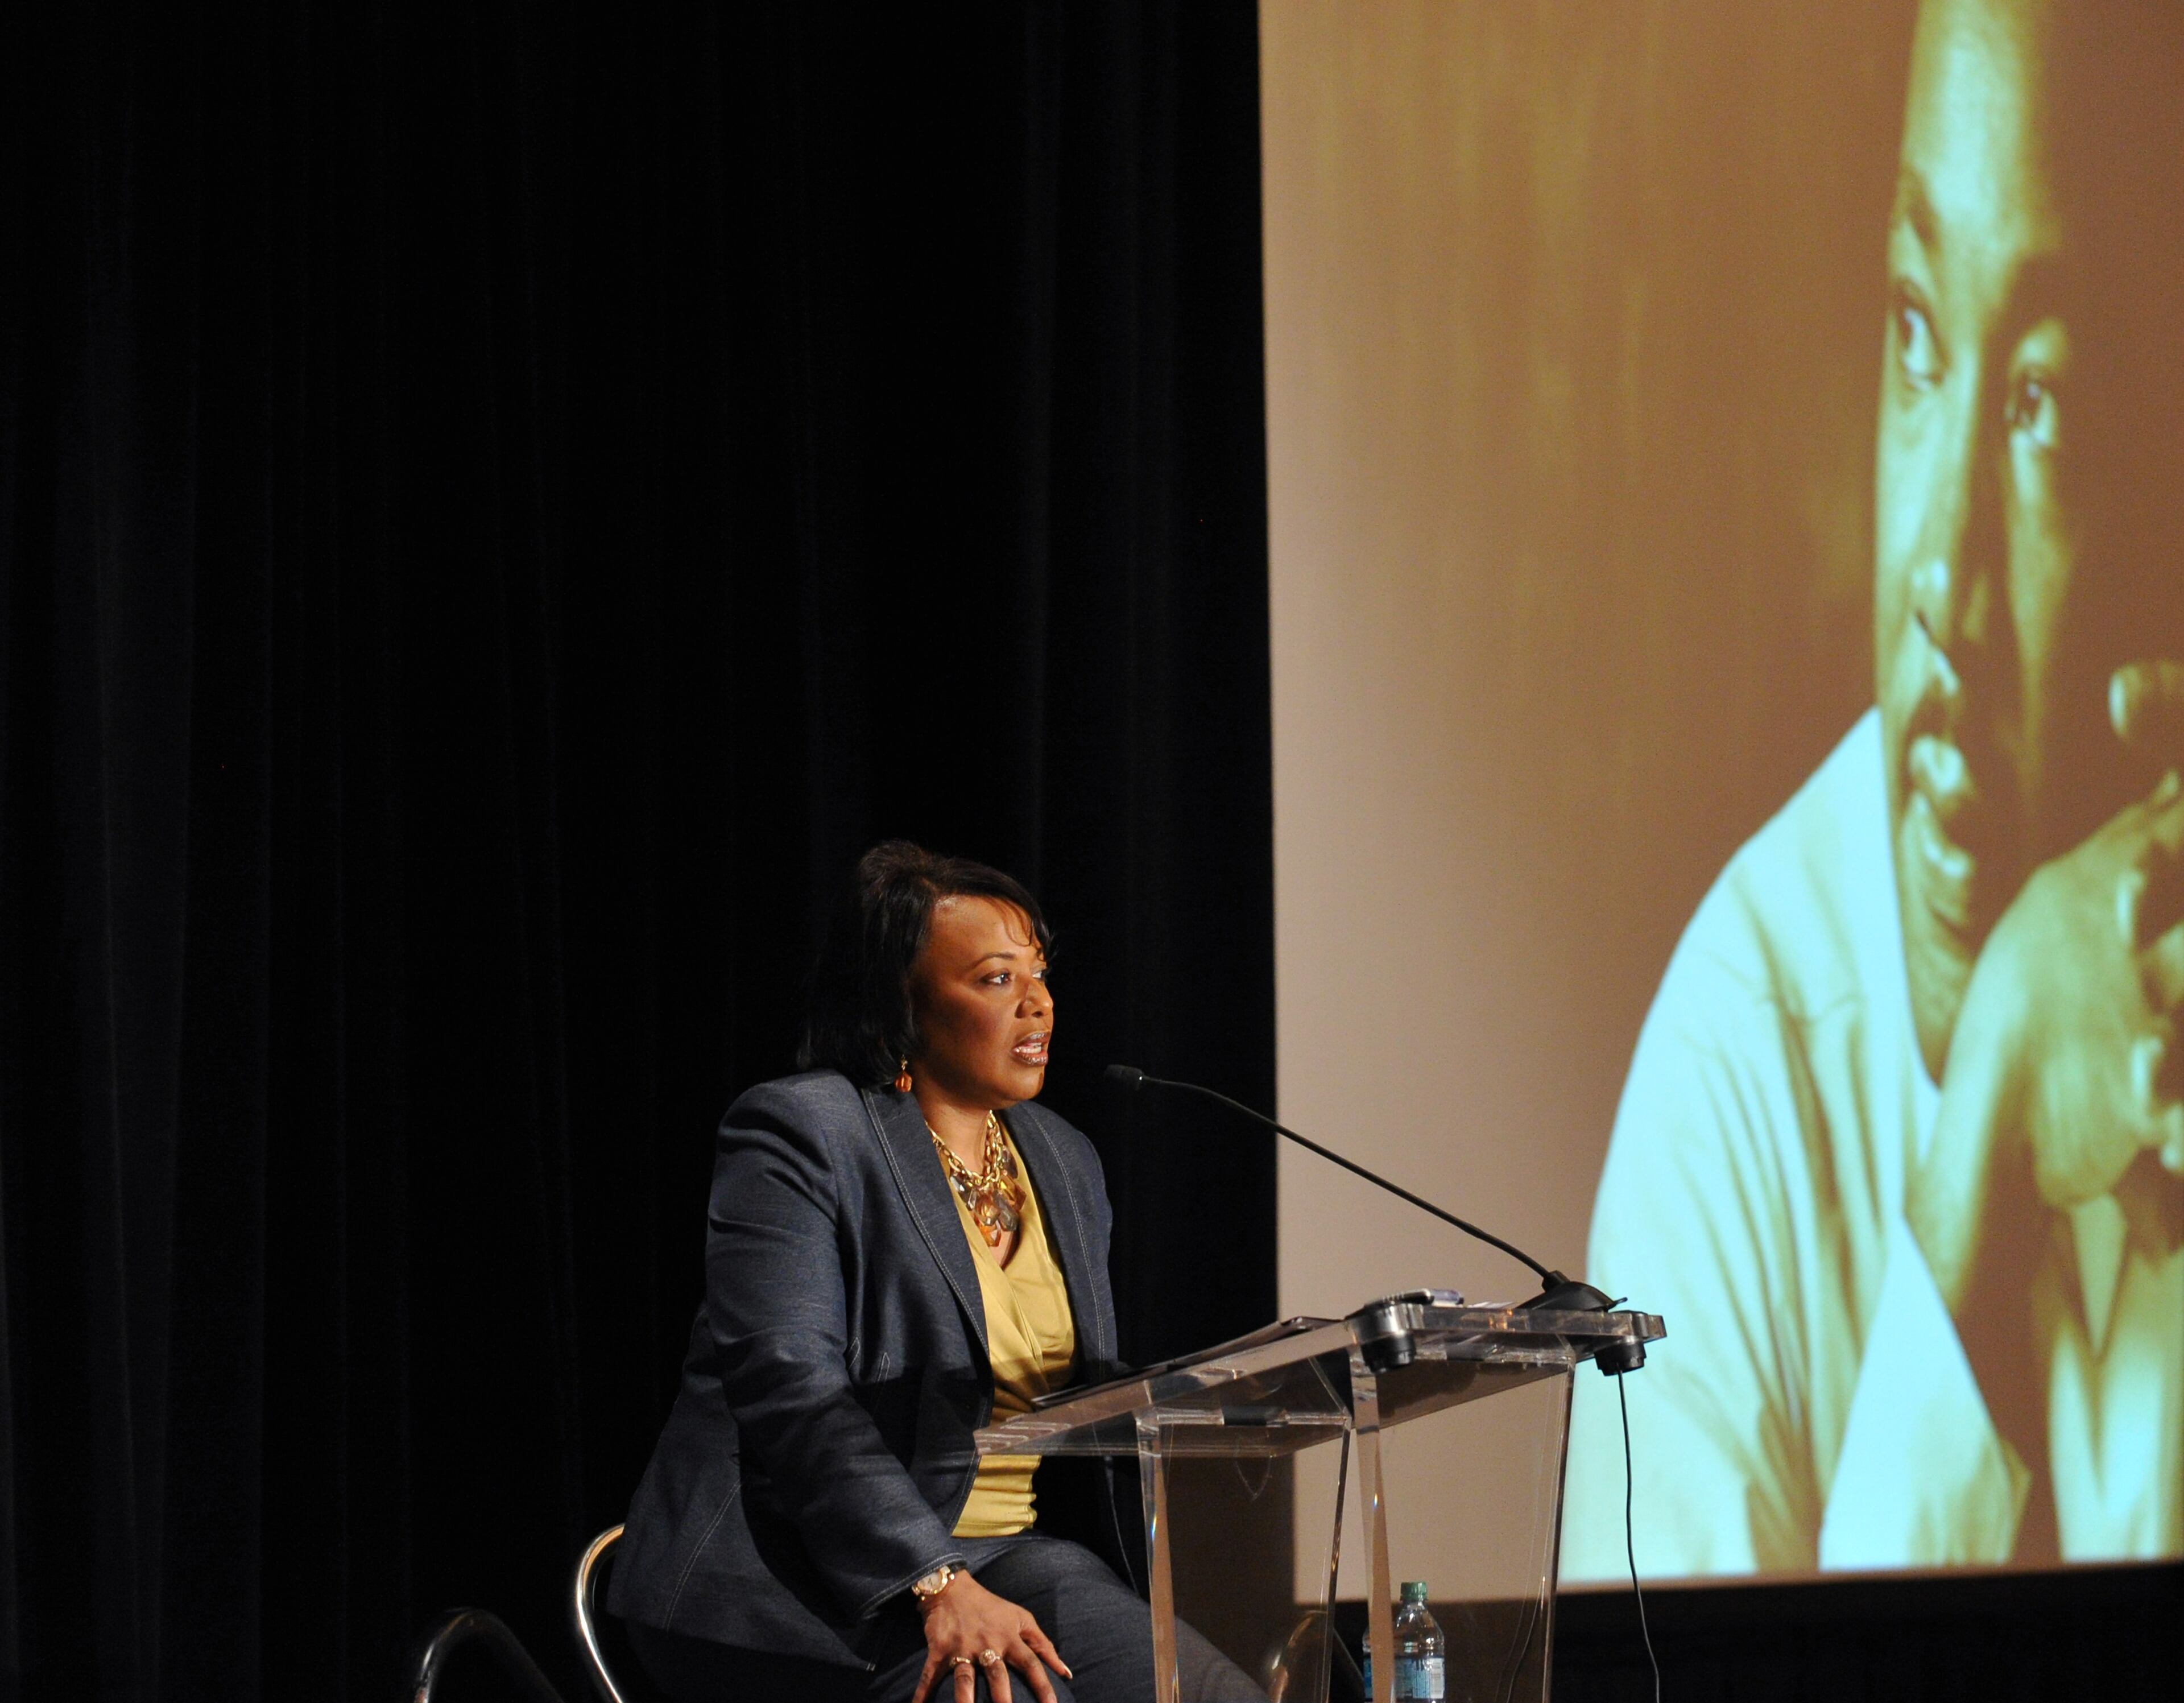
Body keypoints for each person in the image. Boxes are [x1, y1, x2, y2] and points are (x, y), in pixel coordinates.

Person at [1563, 0, 2183, 1577]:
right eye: (1916, 331)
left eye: (2046, 402)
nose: (1940, 582)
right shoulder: (1741, 1067)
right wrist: (1978, 1189)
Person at [609, 842, 1263, 1703]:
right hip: (789, 1580)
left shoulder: (1063, 1159)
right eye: (997, 979)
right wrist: (933, 1578)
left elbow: (1073, 1396)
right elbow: (789, 1386)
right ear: (902, 1004)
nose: (1038, 1003)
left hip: (1003, 1559)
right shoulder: (803, 1134)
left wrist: (1230, 1389)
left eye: (1040, 973)